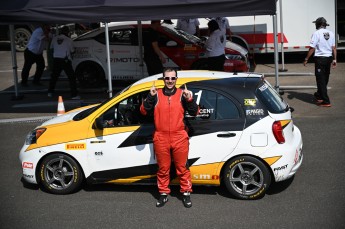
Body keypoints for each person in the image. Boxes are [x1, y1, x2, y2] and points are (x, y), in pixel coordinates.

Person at [140, 68, 199, 208]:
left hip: (179, 136)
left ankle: (185, 193)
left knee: (182, 168)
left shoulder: (182, 94)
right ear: (163, 79)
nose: (170, 81)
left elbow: (195, 112)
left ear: (176, 79)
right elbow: (143, 111)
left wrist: (189, 99)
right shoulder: (156, 94)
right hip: (161, 137)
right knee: (163, 168)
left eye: (173, 78)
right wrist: (150, 97)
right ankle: (163, 194)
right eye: (167, 78)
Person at [303, 17, 336, 107]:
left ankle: (325, 101)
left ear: (318, 24)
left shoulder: (316, 33)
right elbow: (334, 48)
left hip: (320, 59)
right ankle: (319, 95)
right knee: (325, 78)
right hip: (329, 58)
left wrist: (306, 58)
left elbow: (312, 48)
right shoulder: (331, 33)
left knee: (320, 80)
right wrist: (335, 59)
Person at [48, 26, 79, 99]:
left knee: (54, 77)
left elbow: (51, 48)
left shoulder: (54, 38)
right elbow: (72, 51)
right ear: (67, 32)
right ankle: (74, 95)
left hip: (56, 59)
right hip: (65, 60)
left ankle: (50, 92)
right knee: (71, 77)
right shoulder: (69, 40)